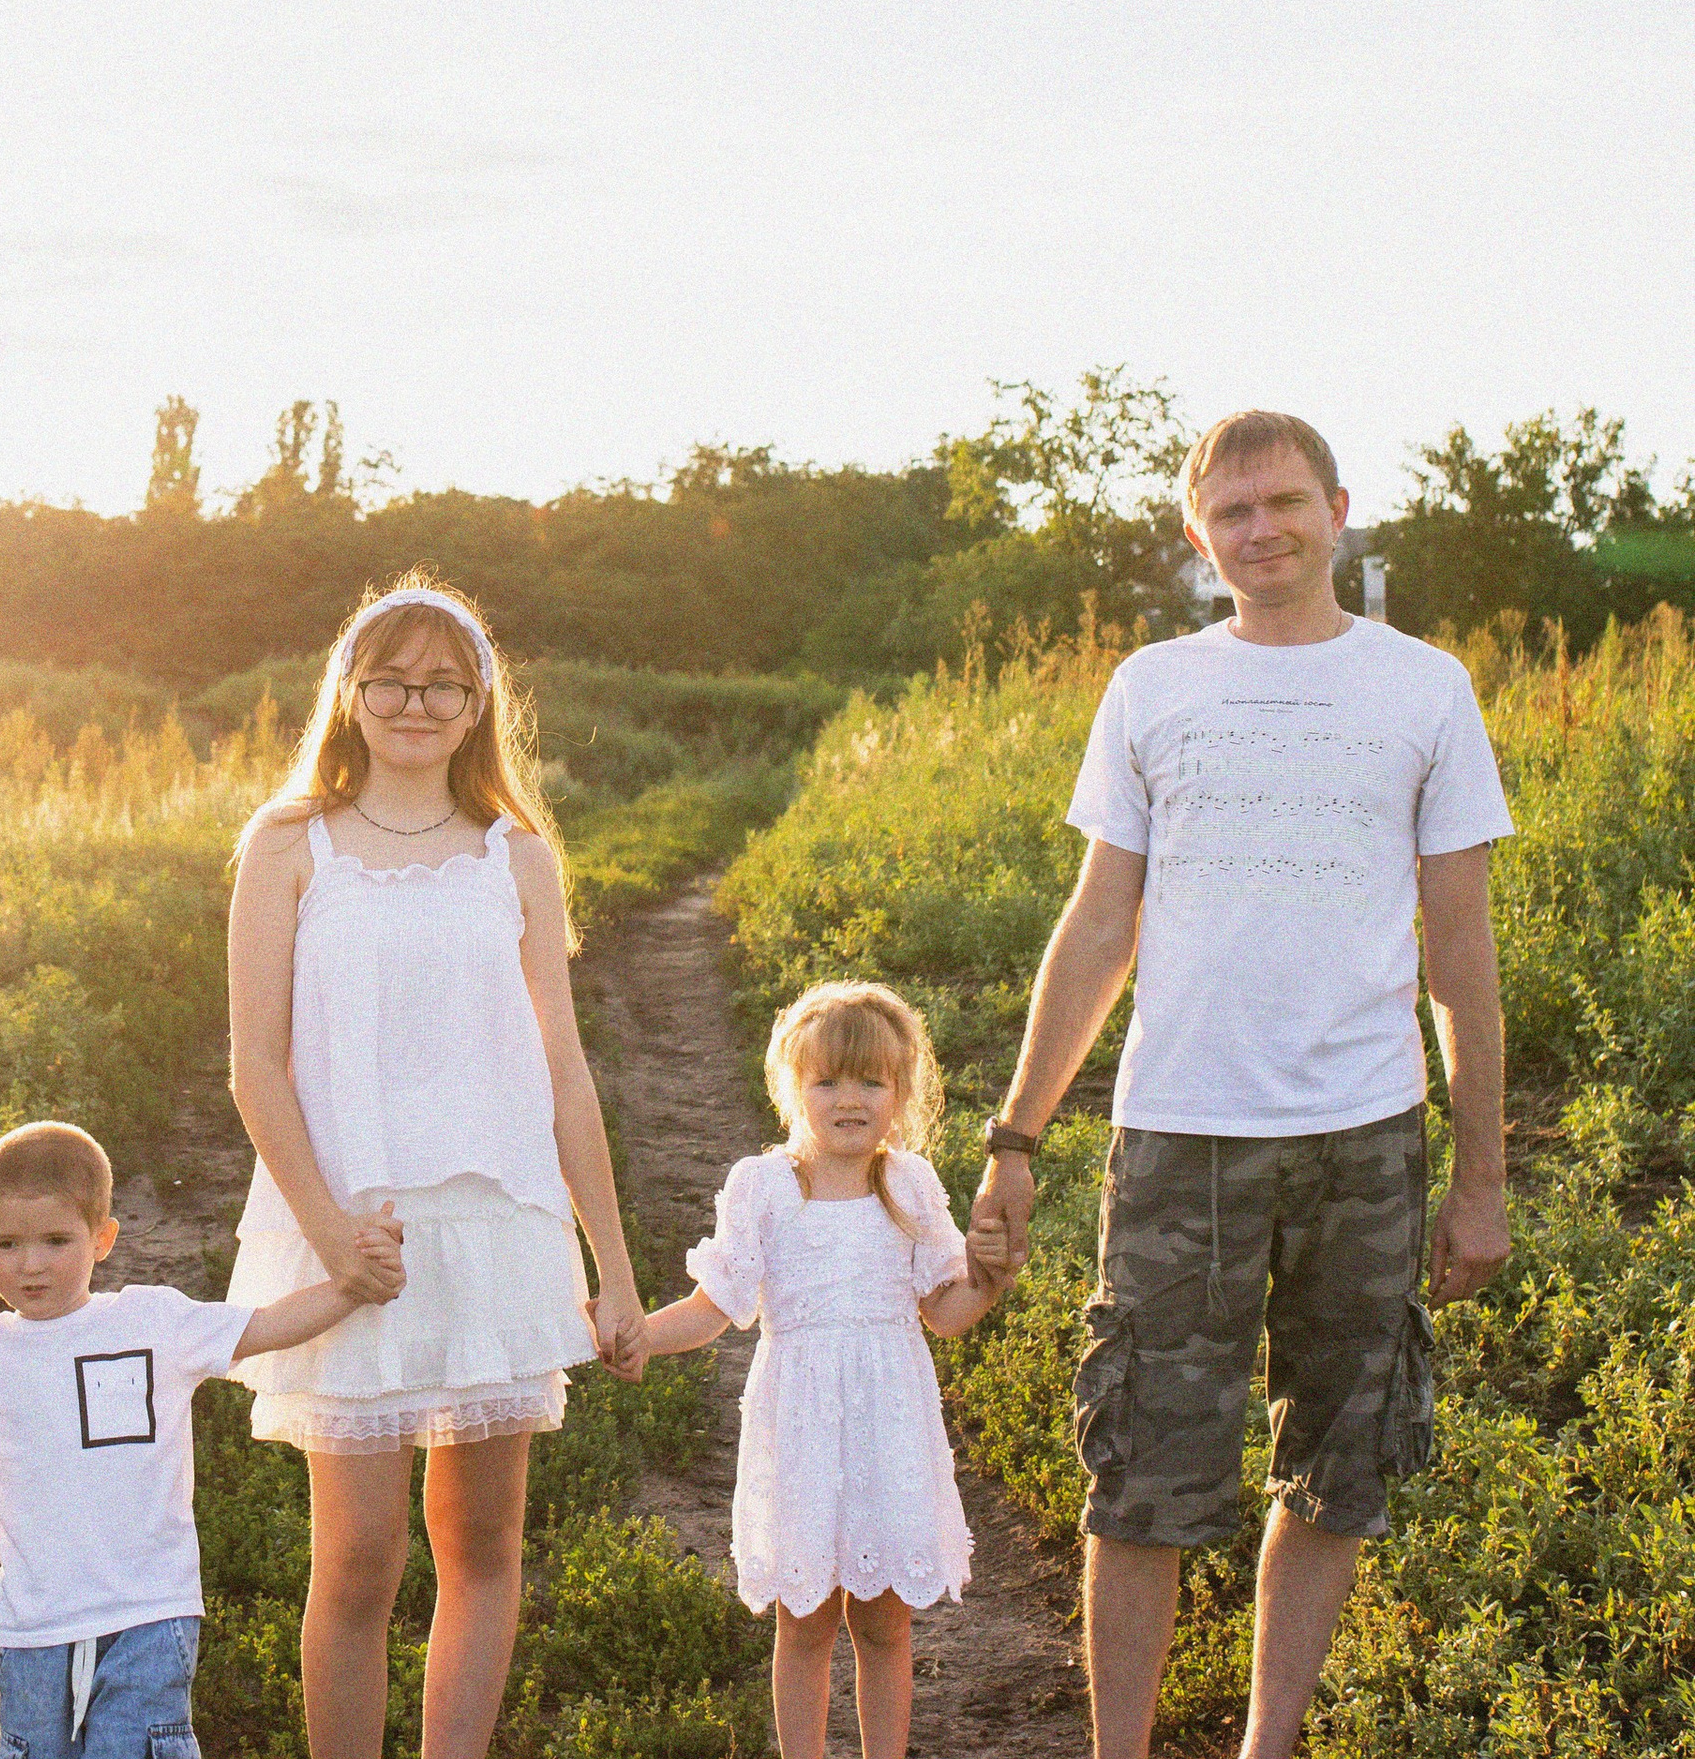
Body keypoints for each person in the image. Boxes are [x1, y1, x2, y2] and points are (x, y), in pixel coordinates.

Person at [967, 410, 1515, 1759]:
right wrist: (1016, 1134)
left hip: (1365, 1137)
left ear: (1338, 507)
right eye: (1232, 514)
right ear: (1198, 532)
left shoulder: (1425, 687)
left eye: (1284, 504)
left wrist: (1483, 1176)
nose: (1261, 532)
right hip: (1178, 1138)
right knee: (1140, 1476)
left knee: (1342, 1466)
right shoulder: (1155, 686)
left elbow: (1460, 951)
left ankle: (1269, 1744)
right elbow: (1101, 922)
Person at [223, 577, 647, 1759]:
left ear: (476, 705)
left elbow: (563, 1070)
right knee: (357, 1557)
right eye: (391, 680)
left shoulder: (513, 854)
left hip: (496, 1225)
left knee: (481, 1546)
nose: (415, 702)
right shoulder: (287, 841)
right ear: (350, 696)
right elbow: (254, 1063)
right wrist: (329, 1236)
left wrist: (612, 1268)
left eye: (442, 683)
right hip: (349, 1228)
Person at [0, 1121, 370, 1759]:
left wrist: (351, 1287)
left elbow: (269, 1325)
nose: (32, 1264)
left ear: (102, 1237)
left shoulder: (151, 1321)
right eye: (8, 1243)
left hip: (148, 1613)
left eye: (57, 1240)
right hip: (34, 1629)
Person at [641, 981, 1008, 1759]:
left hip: (888, 1422)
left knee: (882, 1619)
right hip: (801, 1423)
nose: (851, 1099)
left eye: (872, 1081)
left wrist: (991, 1277)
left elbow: (944, 1312)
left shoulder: (909, 1184)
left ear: (902, 1093)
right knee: (804, 1618)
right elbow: (717, 1305)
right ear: (790, 1089)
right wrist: (641, 1335)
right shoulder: (764, 1186)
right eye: (827, 1081)